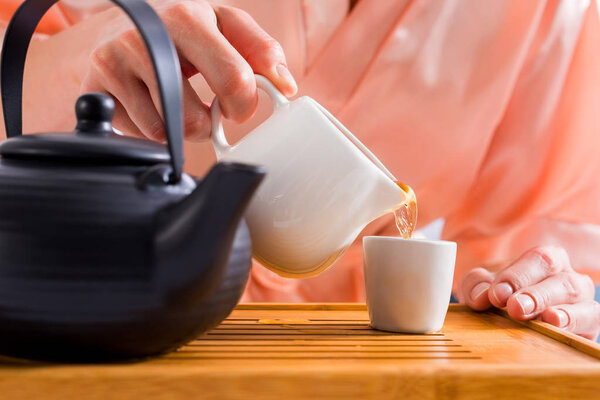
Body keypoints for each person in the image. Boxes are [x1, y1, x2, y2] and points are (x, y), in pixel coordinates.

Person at [1, 0, 599, 341]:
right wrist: (80, 53)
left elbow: (554, 238)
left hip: (329, 358)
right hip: (68, 321)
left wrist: (536, 287)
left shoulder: (556, 16)